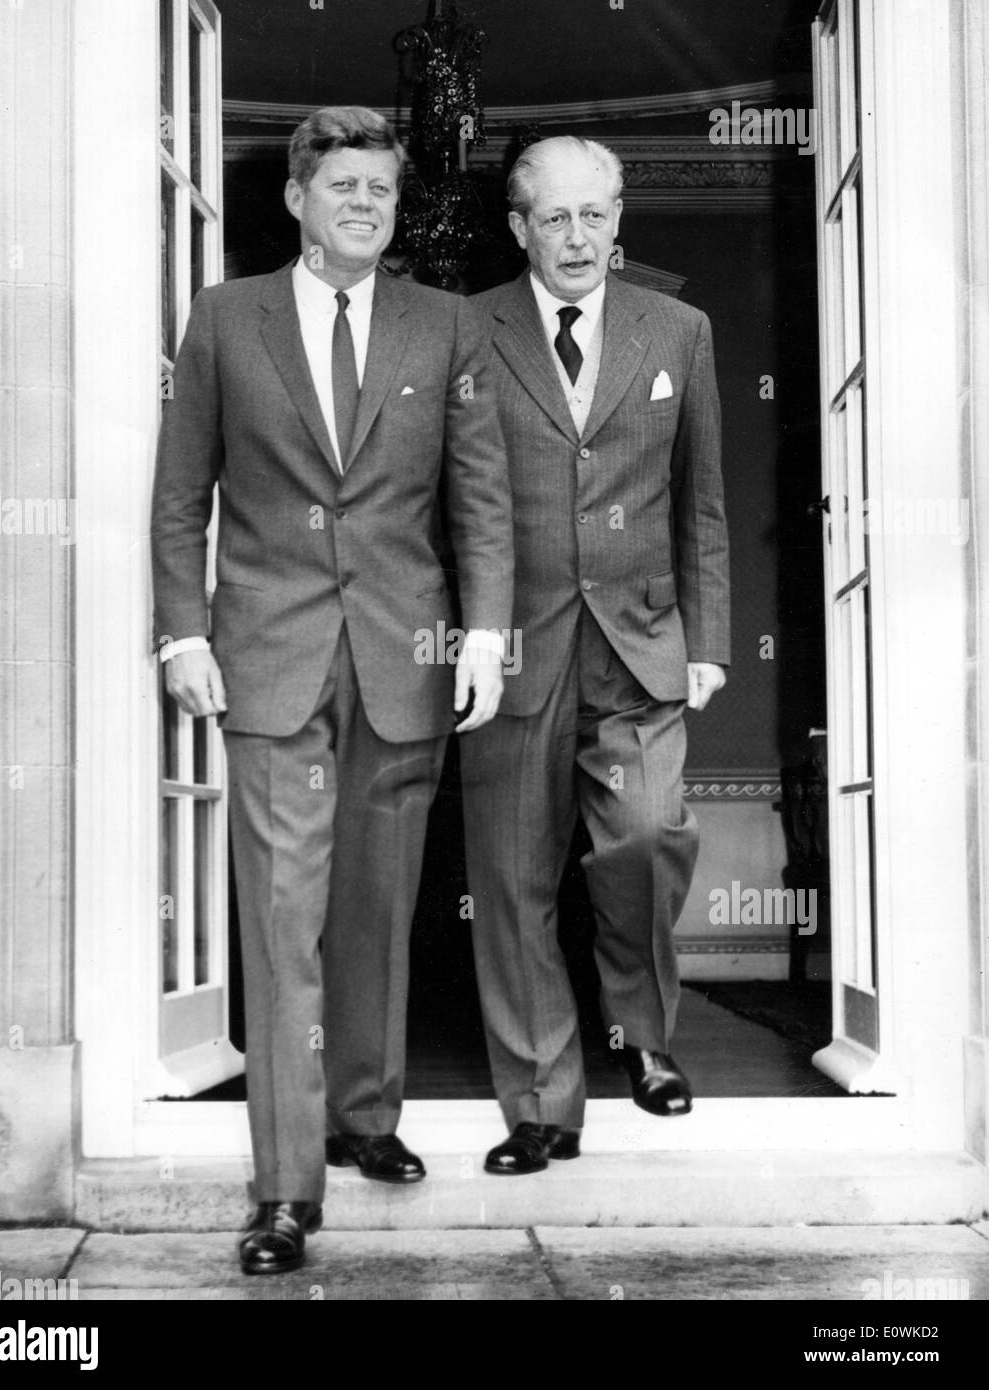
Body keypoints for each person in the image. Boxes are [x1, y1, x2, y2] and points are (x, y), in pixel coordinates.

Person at [151, 106, 512, 1270]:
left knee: (375, 906)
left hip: (402, 659)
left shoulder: (445, 326)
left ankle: (367, 1117)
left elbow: (480, 499)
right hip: (268, 657)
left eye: (382, 190)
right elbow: (179, 497)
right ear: (298, 199)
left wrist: (486, 637)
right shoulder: (224, 318)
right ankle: (284, 1187)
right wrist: (180, 635)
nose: (366, 203)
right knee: (281, 915)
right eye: (343, 185)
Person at [461, 135, 730, 1176]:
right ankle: (539, 1107)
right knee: (512, 880)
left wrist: (707, 639)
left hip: (639, 647)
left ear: (618, 218)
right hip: (511, 650)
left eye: (595, 214)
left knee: (645, 839)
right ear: (519, 226)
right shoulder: (465, 330)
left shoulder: (680, 330)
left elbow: (702, 498)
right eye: (554, 217)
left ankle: (641, 1033)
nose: (577, 237)